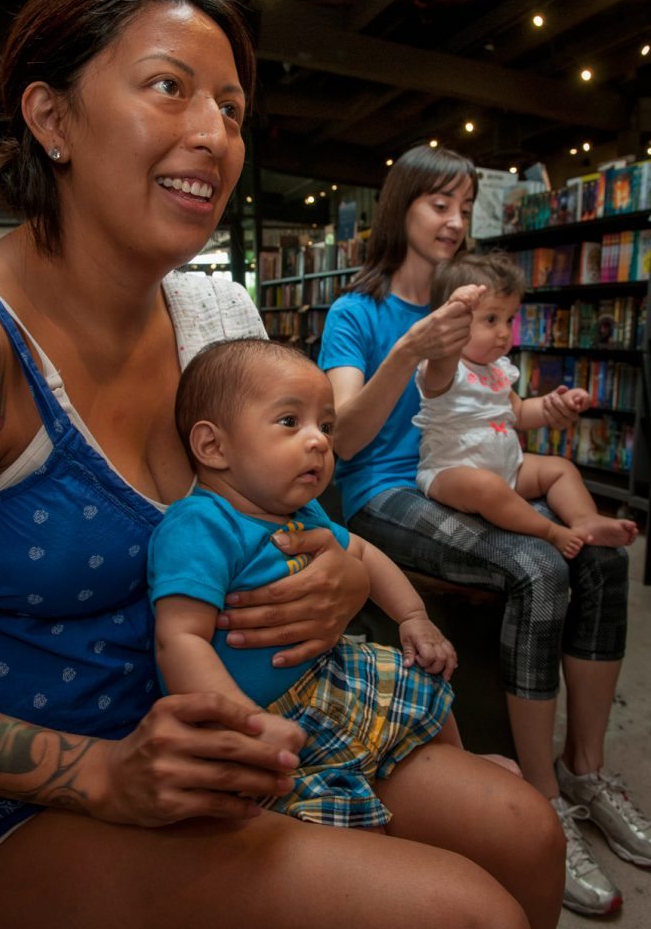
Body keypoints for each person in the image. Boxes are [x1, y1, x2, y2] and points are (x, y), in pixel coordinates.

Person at [0, 0, 564, 929]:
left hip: (254, 726)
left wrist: (337, 576)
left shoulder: (217, 314)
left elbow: (292, 514)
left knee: (524, 829)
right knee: (463, 911)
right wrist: (100, 773)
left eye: (232, 108)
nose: (213, 134)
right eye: (169, 86)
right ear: (52, 117)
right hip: (34, 793)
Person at [318, 143, 651, 917]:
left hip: (479, 474)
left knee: (600, 561)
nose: (455, 220)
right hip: (386, 490)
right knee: (538, 565)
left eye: (465, 208)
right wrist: (411, 348)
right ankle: (540, 802)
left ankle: (584, 770)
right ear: (400, 206)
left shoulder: (478, 300)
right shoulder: (356, 313)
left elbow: (500, 409)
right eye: (440, 204)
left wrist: (542, 414)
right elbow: (344, 442)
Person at [148, 336, 466, 828]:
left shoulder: (305, 512)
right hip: (260, 717)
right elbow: (179, 639)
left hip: (327, 675)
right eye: (289, 422)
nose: (319, 440)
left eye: (326, 426)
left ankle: (461, 764)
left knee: (423, 681)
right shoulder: (202, 525)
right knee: (339, 821)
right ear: (213, 446)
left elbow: (363, 553)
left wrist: (413, 616)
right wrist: (244, 722)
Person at [414, 250, 638, 559]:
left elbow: (518, 413)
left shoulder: (498, 370)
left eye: (509, 319)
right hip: (450, 473)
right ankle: (550, 531)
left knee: (561, 468)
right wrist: (450, 321)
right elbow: (441, 363)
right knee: (488, 488)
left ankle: (586, 519)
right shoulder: (443, 368)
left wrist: (554, 403)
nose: (504, 332)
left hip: (509, 467)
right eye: (491, 319)